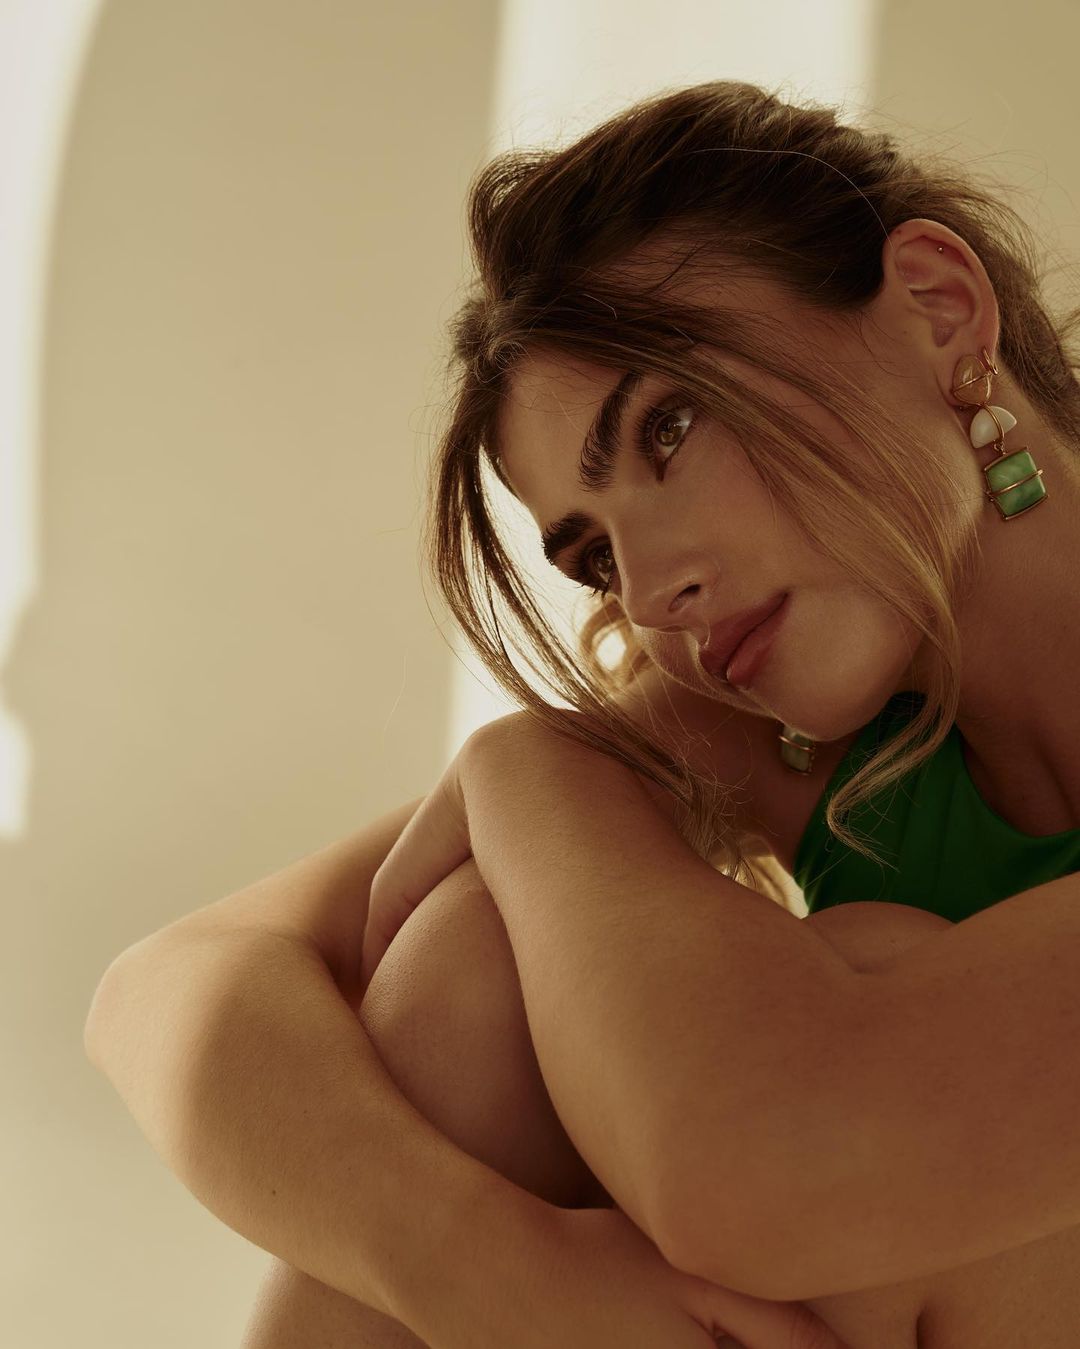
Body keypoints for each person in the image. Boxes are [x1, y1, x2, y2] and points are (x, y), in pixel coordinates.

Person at [85, 80, 1080, 1349]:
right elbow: (173, 983)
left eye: (670, 427)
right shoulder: (819, 731)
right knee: (473, 966)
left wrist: (528, 766)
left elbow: (764, 1163)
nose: (651, 592)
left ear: (938, 308)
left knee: (852, 970)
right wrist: (484, 1261)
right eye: (596, 556)